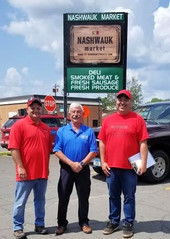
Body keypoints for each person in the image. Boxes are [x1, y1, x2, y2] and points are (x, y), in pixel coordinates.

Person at [98, 90, 149, 238]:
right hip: (111, 167)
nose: (122, 102)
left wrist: (143, 163)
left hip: (129, 168)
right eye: (119, 100)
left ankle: (128, 222)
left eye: (125, 100)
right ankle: (114, 221)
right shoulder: (108, 120)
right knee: (113, 196)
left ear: (130, 102)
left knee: (129, 197)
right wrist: (102, 161)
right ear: (116, 102)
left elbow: (143, 142)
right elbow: (102, 142)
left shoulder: (138, 119)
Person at [8, 97, 52, 239]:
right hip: (25, 173)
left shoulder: (45, 128)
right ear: (27, 109)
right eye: (32, 108)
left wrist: (47, 168)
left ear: (41, 110)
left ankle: (39, 224)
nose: (35, 110)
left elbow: (47, 150)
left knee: (40, 201)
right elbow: (14, 148)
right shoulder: (18, 126)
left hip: (42, 172)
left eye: (38, 108)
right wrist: (20, 167)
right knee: (20, 202)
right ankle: (18, 227)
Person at [53, 103, 98, 235]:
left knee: (83, 197)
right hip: (67, 169)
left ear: (83, 114)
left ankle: (84, 222)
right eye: (73, 112)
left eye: (78, 112)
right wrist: (72, 164)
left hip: (83, 170)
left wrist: (81, 164)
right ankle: (61, 224)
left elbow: (93, 151)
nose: (76, 114)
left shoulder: (88, 131)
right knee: (63, 197)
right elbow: (57, 150)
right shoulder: (62, 131)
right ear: (68, 115)